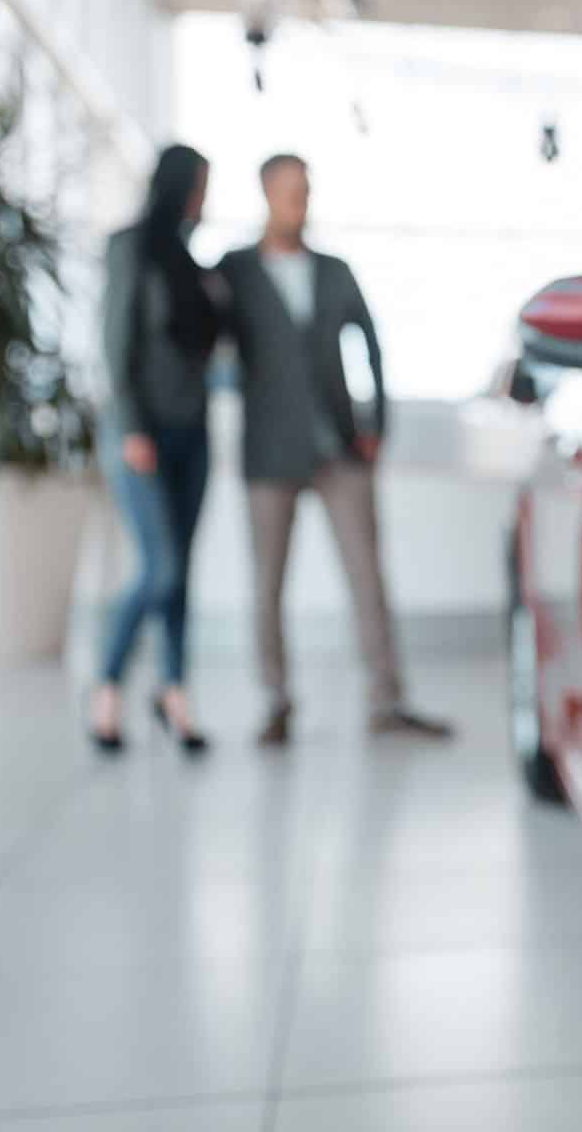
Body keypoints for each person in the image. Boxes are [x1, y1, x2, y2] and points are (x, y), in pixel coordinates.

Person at [218, 154, 450, 744]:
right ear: (266, 193)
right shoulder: (236, 270)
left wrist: (376, 427)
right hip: (270, 453)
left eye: (306, 191)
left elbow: (371, 343)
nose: (300, 203)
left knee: (368, 576)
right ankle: (277, 701)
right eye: (289, 191)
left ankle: (387, 701)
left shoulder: (335, 270)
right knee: (267, 580)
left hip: (341, 450)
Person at [91, 145, 221, 754]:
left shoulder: (193, 265)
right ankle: (108, 689)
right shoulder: (130, 249)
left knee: (181, 574)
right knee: (159, 566)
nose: (204, 199)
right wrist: (134, 428)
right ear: (176, 186)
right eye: (199, 187)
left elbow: (207, 353)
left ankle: (173, 692)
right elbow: (116, 346)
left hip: (192, 432)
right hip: (139, 432)